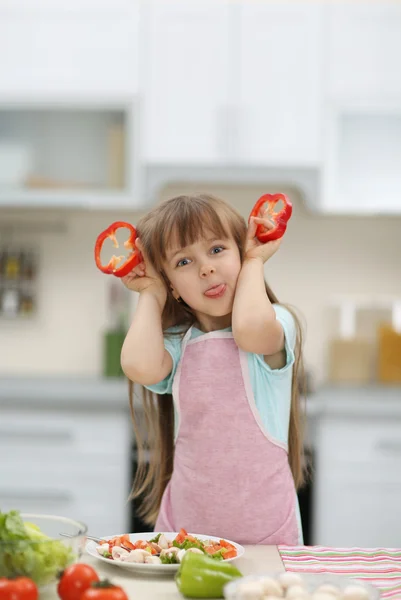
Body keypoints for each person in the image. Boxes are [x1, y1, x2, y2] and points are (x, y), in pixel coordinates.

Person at [120, 193, 306, 545]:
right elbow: (137, 365)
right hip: (184, 536)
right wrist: (150, 293)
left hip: (265, 539)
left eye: (218, 250)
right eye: (184, 261)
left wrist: (254, 261)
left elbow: (249, 330)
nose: (206, 268)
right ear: (172, 285)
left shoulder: (278, 323)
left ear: (240, 250)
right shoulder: (177, 344)